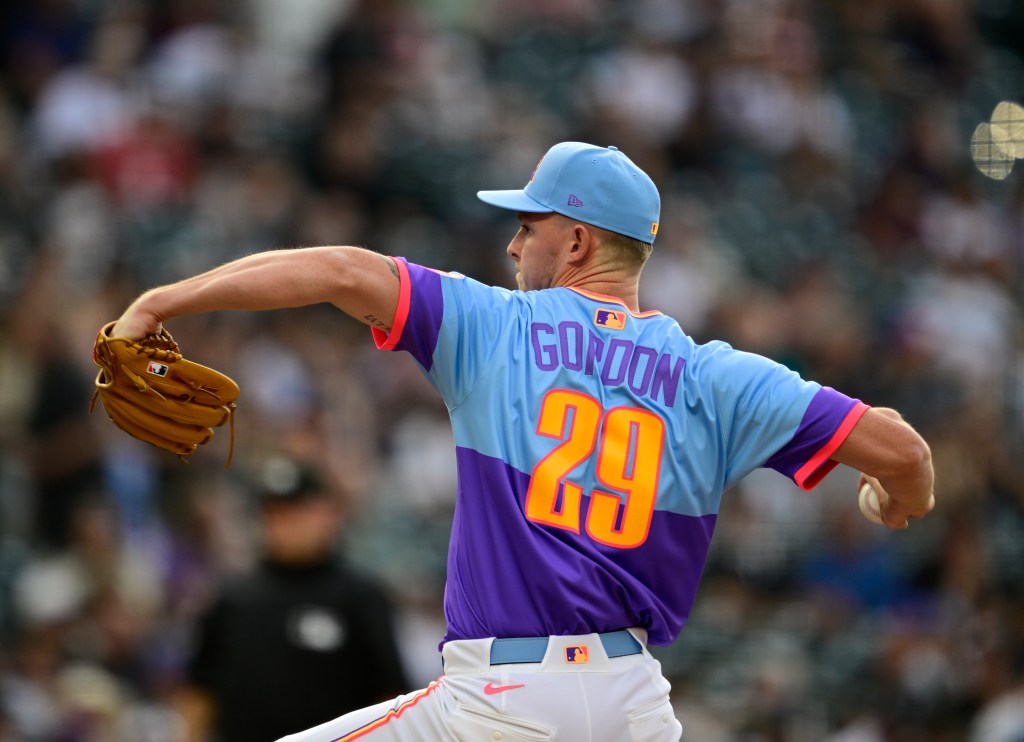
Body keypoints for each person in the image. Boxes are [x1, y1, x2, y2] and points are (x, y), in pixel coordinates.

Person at [111, 142, 935, 741]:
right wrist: (893, 498)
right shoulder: (720, 377)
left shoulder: (495, 327)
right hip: (633, 706)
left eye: (528, 224)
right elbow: (906, 453)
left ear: (575, 240)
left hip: (501, 700)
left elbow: (338, 270)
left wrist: (165, 301)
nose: (512, 243)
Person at [173, 455, 409, 742]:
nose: (285, 524)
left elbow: (388, 695)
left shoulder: (361, 598)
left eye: (297, 511)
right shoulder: (232, 600)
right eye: (275, 513)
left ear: (328, 513)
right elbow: (200, 692)